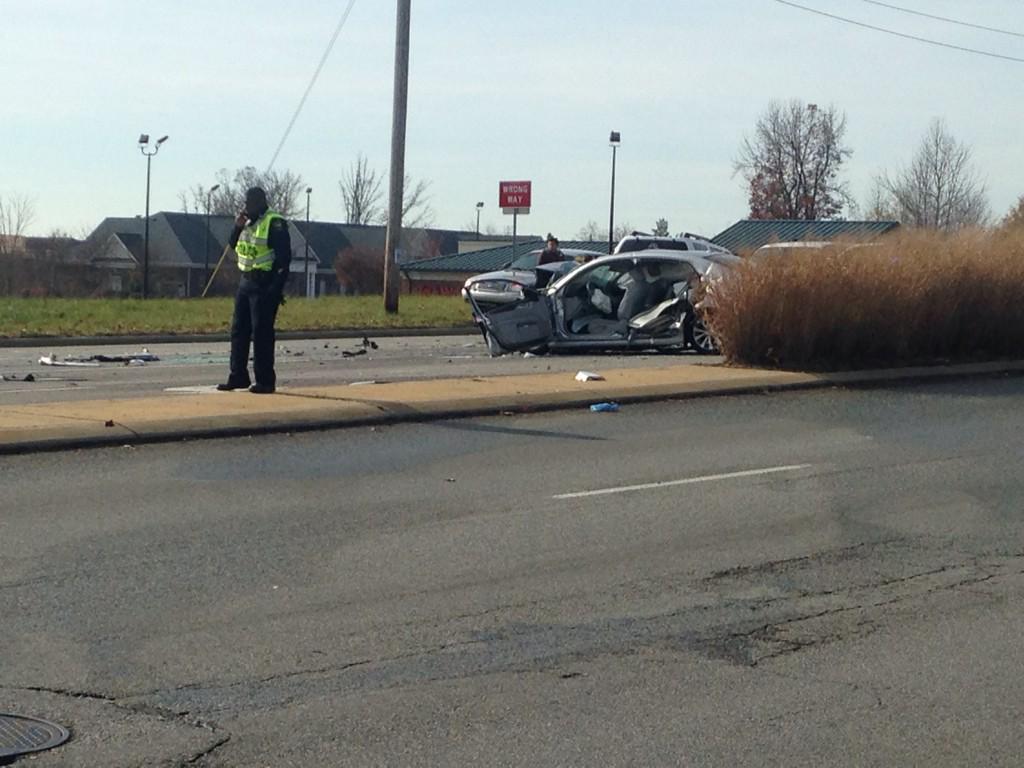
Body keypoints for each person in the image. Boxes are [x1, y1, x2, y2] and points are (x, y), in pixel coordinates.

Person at [217, 187, 291, 394]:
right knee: (239, 330)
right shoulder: (247, 223)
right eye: (246, 204)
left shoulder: (274, 222)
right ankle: (238, 375)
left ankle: (265, 380)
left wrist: (276, 289)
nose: (246, 208)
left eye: (250, 204)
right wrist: (237, 227)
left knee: (262, 333)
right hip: (246, 281)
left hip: (264, 283)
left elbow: (284, 259)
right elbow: (233, 245)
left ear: (261, 202)